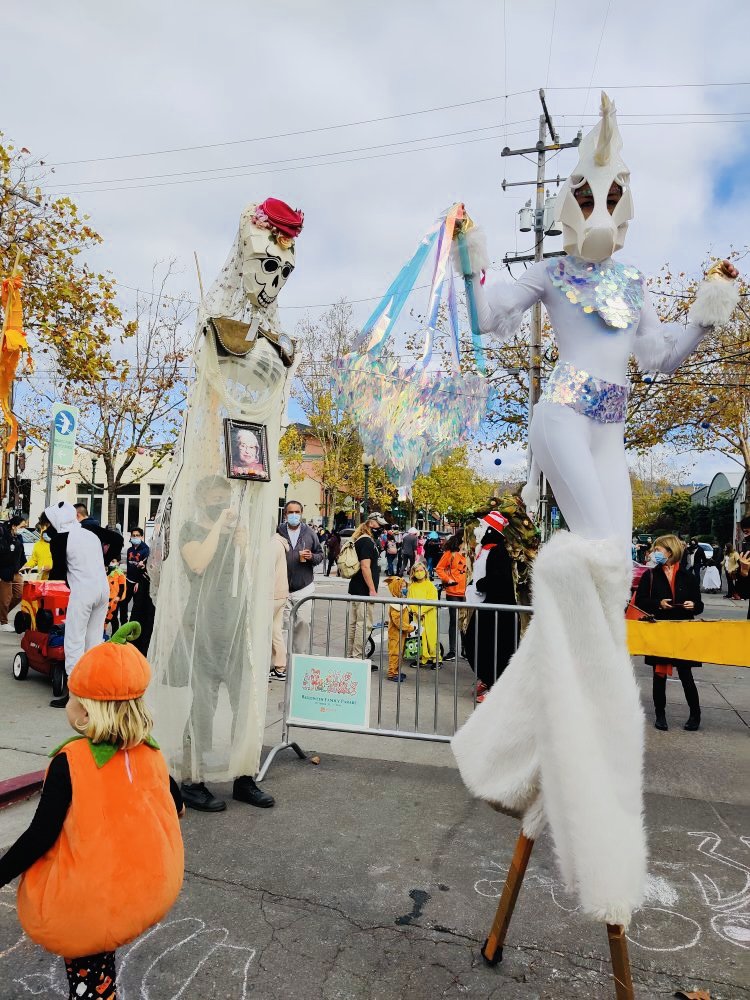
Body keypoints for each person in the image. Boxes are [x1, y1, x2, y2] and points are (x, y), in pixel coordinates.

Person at [456, 93, 739, 548]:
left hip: (611, 427)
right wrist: (470, 263)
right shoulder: (551, 270)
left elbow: (663, 358)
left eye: (609, 198)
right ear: (571, 203)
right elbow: (485, 319)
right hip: (563, 414)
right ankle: (560, 614)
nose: (597, 212)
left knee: (617, 559)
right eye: (586, 200)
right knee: (599, 545)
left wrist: (709, 310)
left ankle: (575, 619)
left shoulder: (633, 281)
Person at [0, 622, 184, 1000]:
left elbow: (40, 835)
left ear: (86, 712)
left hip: (88, 899)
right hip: (135, 891)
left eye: (72, 698)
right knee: (103, 953)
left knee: (87, 973)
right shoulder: (150, 752)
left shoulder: (73, 763)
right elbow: (176, 804)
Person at [171, 475, 274, 812]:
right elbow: (198, 563)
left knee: (244, 705)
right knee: (202, 706)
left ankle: (243, 777)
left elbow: (252, 577)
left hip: (235, 626)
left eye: (224, 499)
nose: (221, 505)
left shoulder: (236, 535)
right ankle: (193, 780)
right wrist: (217, 528)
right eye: (215, 499)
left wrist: (244, 545)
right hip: (202, 629)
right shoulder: (190, 529)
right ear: (203, 500)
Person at [43, 502, 110, 709]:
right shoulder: (90, 534)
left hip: (83, 591)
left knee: (74, 641)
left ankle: (74, 694)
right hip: (102, 590)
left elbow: (59, 571)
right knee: (94, 640)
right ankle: (93, 691)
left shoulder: (60, 539)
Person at [635, 534, 703, 731]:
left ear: (671, 551)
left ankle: (695, 715)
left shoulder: (687, 575)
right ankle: (660, 715)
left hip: (682, 629)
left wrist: (693, 605)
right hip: (660, 629)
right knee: (659, 674)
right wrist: (658, 604)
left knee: (686, 674)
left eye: (658, 550)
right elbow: (640, 602)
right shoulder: (650, 575)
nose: (654, 553)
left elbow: (699, 605)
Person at [464, 511, 518, 701]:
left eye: (483, 527)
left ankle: (495, 684)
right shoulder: (487, 550)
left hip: (498, 611)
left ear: (490, 530)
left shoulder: (498, 552)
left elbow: (498, 579)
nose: (478, 530)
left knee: (492, 646)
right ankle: (488, 678)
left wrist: (479, 585)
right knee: (476, 643)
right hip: (487, 607)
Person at [278, 500, 323, 655]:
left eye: (297, 512)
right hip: (282, 586)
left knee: (303, 623)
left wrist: (311, 557)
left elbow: (320, 555)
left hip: (304, 587)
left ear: (301, 514)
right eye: (291, 512)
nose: (294, 515)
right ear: (285, 515)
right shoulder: (279, 531)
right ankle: (280, 662)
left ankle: (299, 657)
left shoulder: (310, 533)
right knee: (282, 625)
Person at [346, 512, 388, 661]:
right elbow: (365, 566)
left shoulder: (361, 540)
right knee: (363, 625)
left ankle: (352, 655)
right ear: (371, 523)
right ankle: (357, 656)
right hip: (364, 590)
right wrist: (371, 589)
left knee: (355, 624)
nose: (381, 527)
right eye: (379, 524)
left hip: (357, 588)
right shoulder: (367, 542)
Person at [435, 532, 468, 660]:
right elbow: (439, 568)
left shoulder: (471, 552)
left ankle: (465, 650)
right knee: (454, 621)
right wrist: (447, 579)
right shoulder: (450, 553)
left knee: (465, 623)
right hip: (453, 592)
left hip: (466, 593)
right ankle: (453, 651)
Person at [406, 561, 440, 667]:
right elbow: (409, 601)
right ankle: (422, 658)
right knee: (420, 637)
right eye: (417, 571)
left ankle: (436, 659)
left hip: (429, 616)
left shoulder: (430, 586)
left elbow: (432, 601)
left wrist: (421, 611)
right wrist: (416, 611)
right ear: (413, 572)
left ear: (425, 571)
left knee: (431, 637)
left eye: (421, 570)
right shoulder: (411, 587)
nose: (419, 572)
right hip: (417, 616)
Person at [0, 515, 28, 631]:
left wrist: (24, 566)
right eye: (22, 526)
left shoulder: (19, 539)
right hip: (4, 572)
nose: (23, 529)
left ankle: (2, 616)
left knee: (19, 595)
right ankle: (3, 622)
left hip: (16, 572)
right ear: (13, 526)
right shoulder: (3, 538)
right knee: (5, 598)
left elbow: (21, 555)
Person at [271, 533, 290, 680]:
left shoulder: (272, 544)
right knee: (275, 630)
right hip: (281, 592)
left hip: (271, 594)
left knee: (265, 631)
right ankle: (280, 666)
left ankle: (270, 666)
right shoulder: (280, 543)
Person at [384, 575, 409, 683]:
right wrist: (409, 627)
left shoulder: (401, 601)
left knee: (400, 652)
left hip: (402, 633)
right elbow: (397, 621)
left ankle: (396, 671)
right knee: (394, 652)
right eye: (402, 587)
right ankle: (391, 673)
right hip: (395, 633)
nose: (404, 589)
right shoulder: (395, 604)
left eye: (405, 587)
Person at [122, 527, 150, 622]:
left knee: (136, 608)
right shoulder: (130, 550)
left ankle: (132, 629)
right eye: (133, 535)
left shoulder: (146, 550)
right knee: (123, 603)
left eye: (137, 535)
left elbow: (147, 569)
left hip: (139, 583)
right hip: (128, 580)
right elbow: (129, 566)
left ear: (142, 537)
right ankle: (124, 625)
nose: (135, 537)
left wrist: (139, 582)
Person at [106, 558, 127, 632]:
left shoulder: (119, 573)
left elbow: (122, 587)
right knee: (106, 617)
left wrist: (118, 597)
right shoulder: (108, 571)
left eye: (113, 561)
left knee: (113, 617)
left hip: (114, 599)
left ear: (118, 563)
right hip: (107, 597)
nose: (111, 563)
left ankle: (114, 634)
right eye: (111, 561)